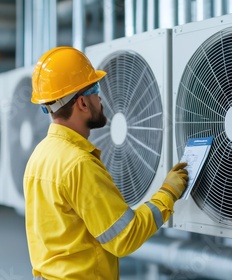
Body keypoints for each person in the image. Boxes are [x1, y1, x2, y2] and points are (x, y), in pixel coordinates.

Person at [23, 46, 189, 280]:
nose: (100, 97)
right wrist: (168, 193)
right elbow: (124, 238)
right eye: (95, 88)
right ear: (82, 103)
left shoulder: (39, 157)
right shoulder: (79, 164)